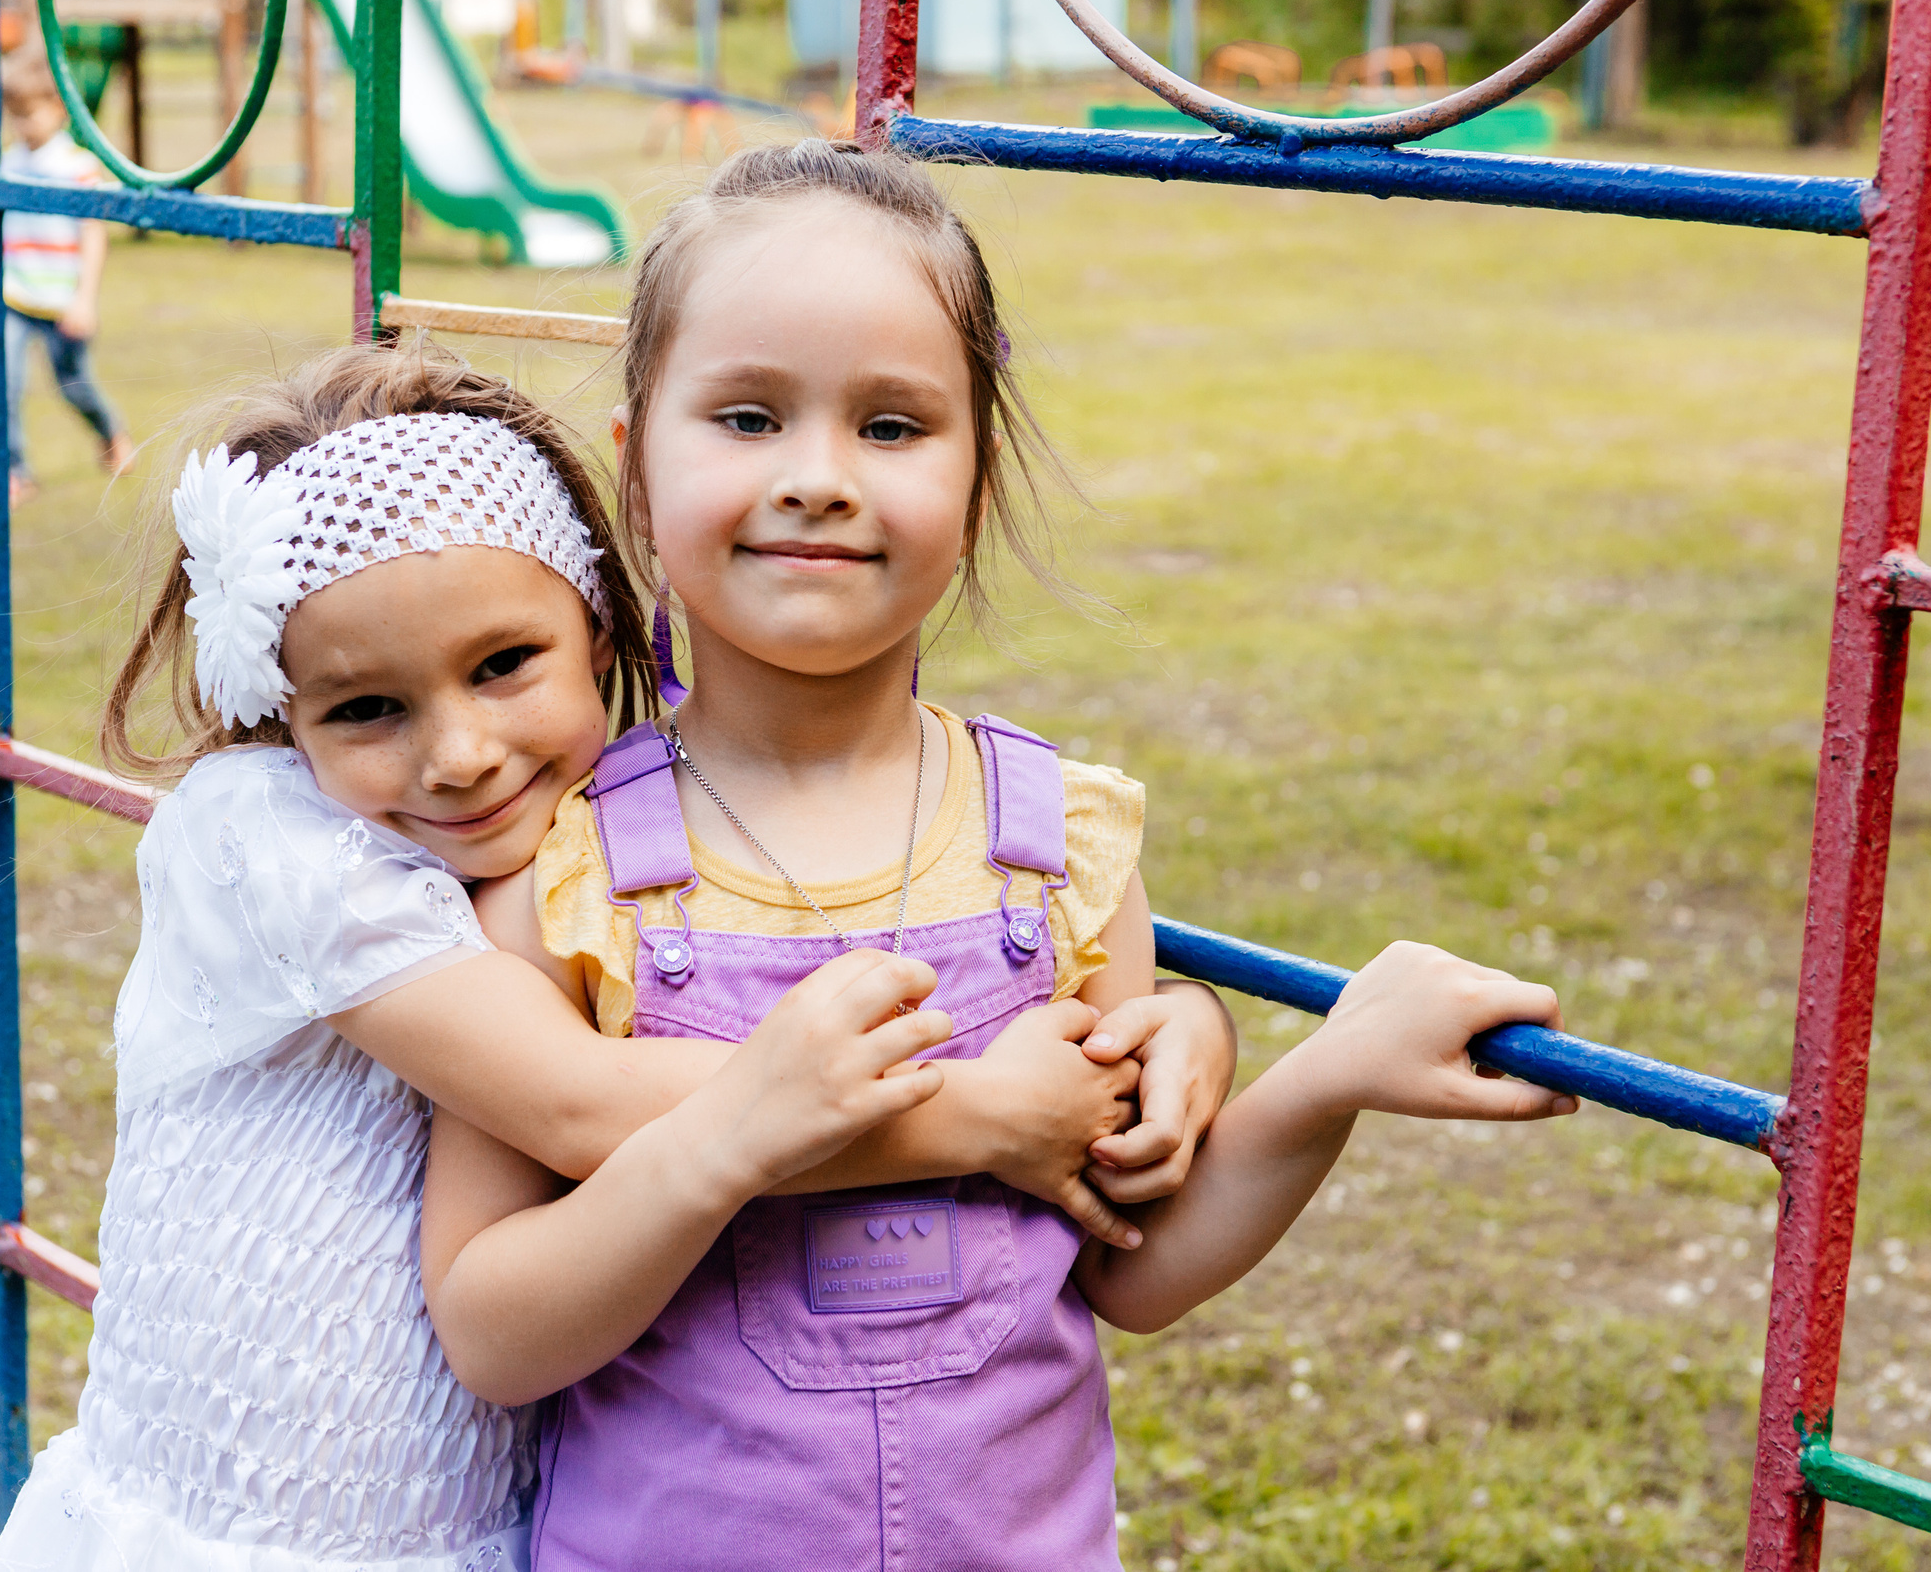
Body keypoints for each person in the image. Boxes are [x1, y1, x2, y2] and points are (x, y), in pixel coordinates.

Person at [418, 139, 1582, 1572]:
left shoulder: (1058, 848)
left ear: (977, 472)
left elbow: (1132, 1262)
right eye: (747, 415)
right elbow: (489, 1328)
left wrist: (1328, 1074)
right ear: (639, 470)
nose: (821, 478)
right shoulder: (561, 872)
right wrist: (723, 1141)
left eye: (895, 426)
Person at [0, 344, 1208, 1572]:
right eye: (366, 709)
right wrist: (981, 1115)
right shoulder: (268, 840)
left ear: (596, 622)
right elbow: (579, 1102)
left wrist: (1188, 1024)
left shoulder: (573, 862)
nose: (458, 754)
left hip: (478, 1521)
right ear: (279, 711)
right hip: (248, 1532)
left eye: (504, 666)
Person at [0, 54, 133, 505]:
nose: (21, 125)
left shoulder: (76, 167)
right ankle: (16, 471)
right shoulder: (6, 162)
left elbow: (93, 234)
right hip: (15, 295)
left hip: (62, 300)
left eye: (28, 114)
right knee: (4, 385)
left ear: (57, 109)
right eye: (13, 114)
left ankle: (110, 431)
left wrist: (85, 300)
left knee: (74, 386)